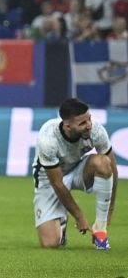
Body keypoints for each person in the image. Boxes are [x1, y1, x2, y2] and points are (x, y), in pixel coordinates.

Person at [32, 98, 117, 250]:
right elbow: (58, 184)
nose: (89, 125)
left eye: (89, 119)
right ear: (67, 126)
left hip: (78, 169)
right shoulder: (48, 140)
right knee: (50, 244)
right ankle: (62, 221)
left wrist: (110, 209)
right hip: (49, 180)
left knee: (103, 163)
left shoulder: (96, 131)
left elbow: (112, 168)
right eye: (82, 123)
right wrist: (79, 216)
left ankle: (100, 230)